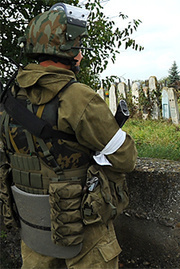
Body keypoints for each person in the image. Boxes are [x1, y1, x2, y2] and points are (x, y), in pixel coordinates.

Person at [0, 3, 137, 268]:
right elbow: (125, 158)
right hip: (83, 229)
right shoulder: (77, 97)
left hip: (33, 229)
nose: (82, 55)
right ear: (68, 50)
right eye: (78, 47)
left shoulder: (10, 96)